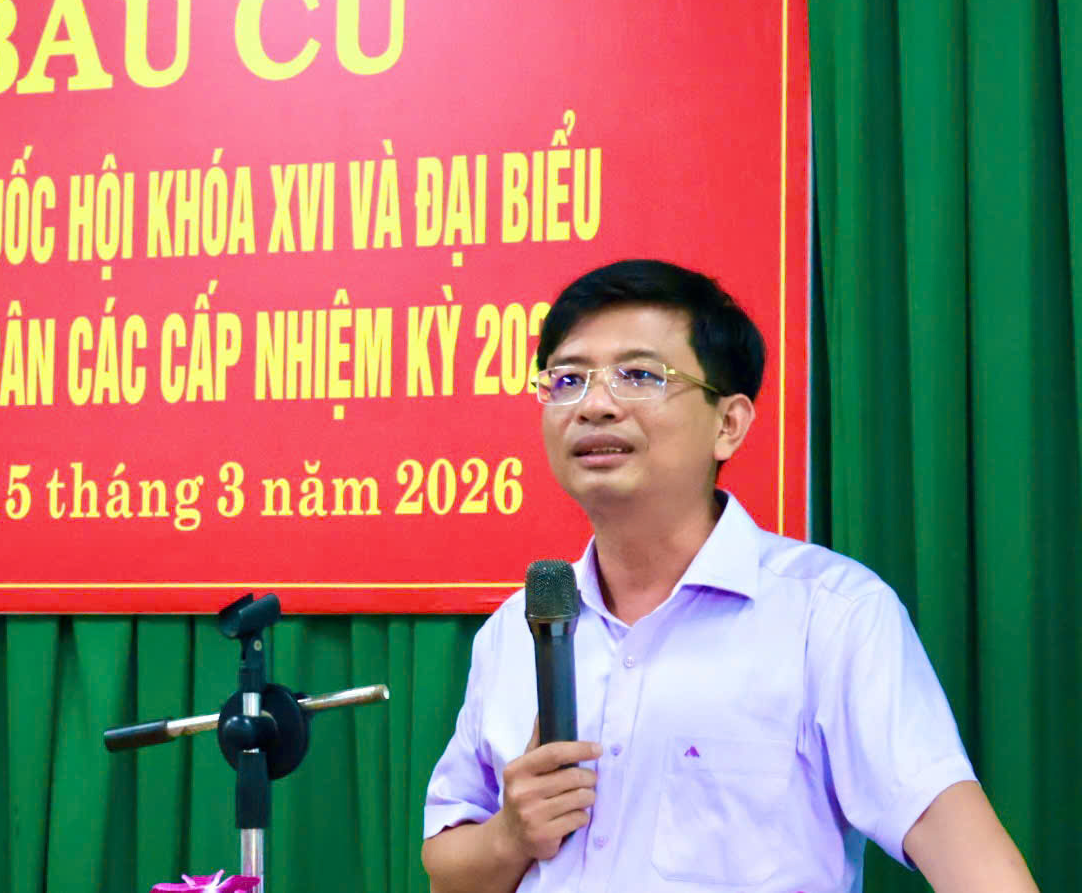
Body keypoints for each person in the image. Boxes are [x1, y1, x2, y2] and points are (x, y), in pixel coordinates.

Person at [420, 261, 1038, 892]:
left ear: (729, 424)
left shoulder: (830, 615)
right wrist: (510, 835)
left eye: (639, 376)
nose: (595, 405)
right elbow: (447, 872)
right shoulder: (518, 629)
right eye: (568, 379)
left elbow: (973, 862)